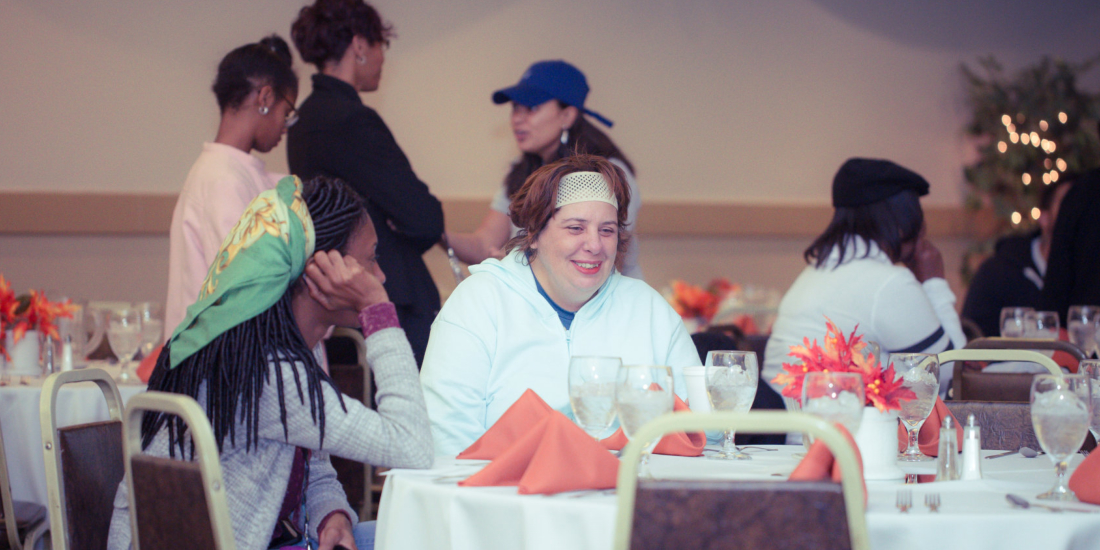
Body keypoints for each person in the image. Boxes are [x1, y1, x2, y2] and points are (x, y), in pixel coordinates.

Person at [108, 176, 432, 550]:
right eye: (371, 259)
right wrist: (377, 311)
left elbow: (315, 466)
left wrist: (333, 516)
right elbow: (413, 446)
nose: (380, 276)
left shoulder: (273, 349)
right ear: (322, 271)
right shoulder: (270, 374)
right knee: (425, 537)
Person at [421, 155, 698, 456]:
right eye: (575, 228)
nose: (594, 245)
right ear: (534, 234)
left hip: (629, 497)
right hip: (507, 497)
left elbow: (699, 430)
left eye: (606, 230)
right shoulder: (478, 303)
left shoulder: (649, 311)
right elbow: (446, 438)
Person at [287, 0, 444, 366]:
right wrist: (395, 221)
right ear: (359, 46)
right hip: (391, 297)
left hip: (334, 293)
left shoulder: (303, 120)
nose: (382, 59)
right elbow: (425, 219)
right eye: (380, 45)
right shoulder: (351, 119)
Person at [763, 158, 966, 397]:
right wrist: (934, 282)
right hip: (836, 430)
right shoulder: (889, 283)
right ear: (903, 223)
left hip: (784, 428)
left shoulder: (815, 271)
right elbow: (954, 374)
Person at [446, 60, 644, 279]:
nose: (517, 119)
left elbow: (598, 259)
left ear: (567, 116)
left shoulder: (608, 175)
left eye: (531, 108)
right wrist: (430, 229)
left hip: (603, 307)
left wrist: (519, 264)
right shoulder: (520, 170)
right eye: (515, 108)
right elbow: (485, 244)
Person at [164, 35, 298, 338]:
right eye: (286, 113)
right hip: (216, 365)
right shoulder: (222, 178)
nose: (285, 127)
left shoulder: (237, 172)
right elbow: (248, 289)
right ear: (264, 98)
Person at [962, 177, 1073, 337]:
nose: (1078, 213)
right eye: (1067, 203)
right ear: (1044, 217)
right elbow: (972, 342)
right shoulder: (998, 272)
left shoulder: (1088, 278)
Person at [1041, 168, 1100, 323]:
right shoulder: (1084, 192)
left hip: (1083, 328)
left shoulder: (1082, 191)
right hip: (1085, 333)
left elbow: (1055, 291)